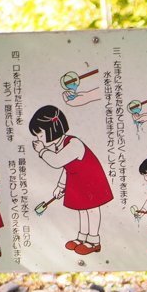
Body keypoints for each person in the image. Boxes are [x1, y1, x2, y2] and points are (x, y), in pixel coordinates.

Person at [29, 105, 113, 255]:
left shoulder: (74, 143)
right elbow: (66, 167)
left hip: (91, 181)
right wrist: (60, 186)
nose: (38, 139)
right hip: (78, 180)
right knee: (82, 209)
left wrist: (42, 151)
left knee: (91, 209)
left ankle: (93, 240)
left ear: (52, 130)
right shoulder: (59, 145)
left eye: (40, 135)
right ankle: (82, 237)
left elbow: (57, 161)